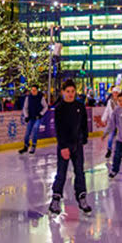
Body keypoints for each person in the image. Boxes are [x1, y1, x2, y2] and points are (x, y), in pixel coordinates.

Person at [49, 80, 92, 215]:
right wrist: (63, 147)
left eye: (72, 91)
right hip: (64, 146)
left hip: (77, 145)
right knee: (61, 173)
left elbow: (84, 123)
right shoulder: (60, 108)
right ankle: (56, 198)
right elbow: (59, 129)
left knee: (79, 171)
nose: (70, 94)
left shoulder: (79, 106)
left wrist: (84, 137)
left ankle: (82, 197)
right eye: (68, 91)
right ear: (63, 92)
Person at [19, 84, 49, 155]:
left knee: (35, 129)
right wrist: (26, 116)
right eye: (32, 90)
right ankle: (26, 146)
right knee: (27, 133)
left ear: (37, 90)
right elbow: (25, 107)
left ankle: (33, 145)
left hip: (37, 118)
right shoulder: (28, 98)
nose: (33, 91)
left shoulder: (40, 97)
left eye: (34, 90)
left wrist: (41, 114)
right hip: (31, 117)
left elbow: (46, 106)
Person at [100, 88, 120, 159]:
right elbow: (107, 111)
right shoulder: (109, 101)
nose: (115, 94)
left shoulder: (121, 101)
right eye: (114, 92)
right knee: (111, 135)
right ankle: (109, 149)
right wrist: (103, 119)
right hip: (112, 120)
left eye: (116, 92)